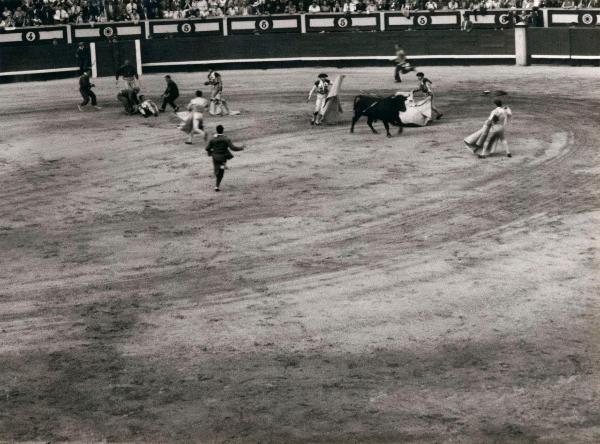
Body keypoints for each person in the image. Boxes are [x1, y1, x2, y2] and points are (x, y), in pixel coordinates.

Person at [205, 124, 244, 191]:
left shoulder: (213, 139)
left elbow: (207, 148)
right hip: (223, 158)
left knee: (217, 168)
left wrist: (210, 152)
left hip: (215, 157)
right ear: (223, 131)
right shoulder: (226, 139)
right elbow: (233, 148)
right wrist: (241, 148)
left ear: (216, 130)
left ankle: (217, 173)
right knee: (221, 172)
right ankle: (217, 186)